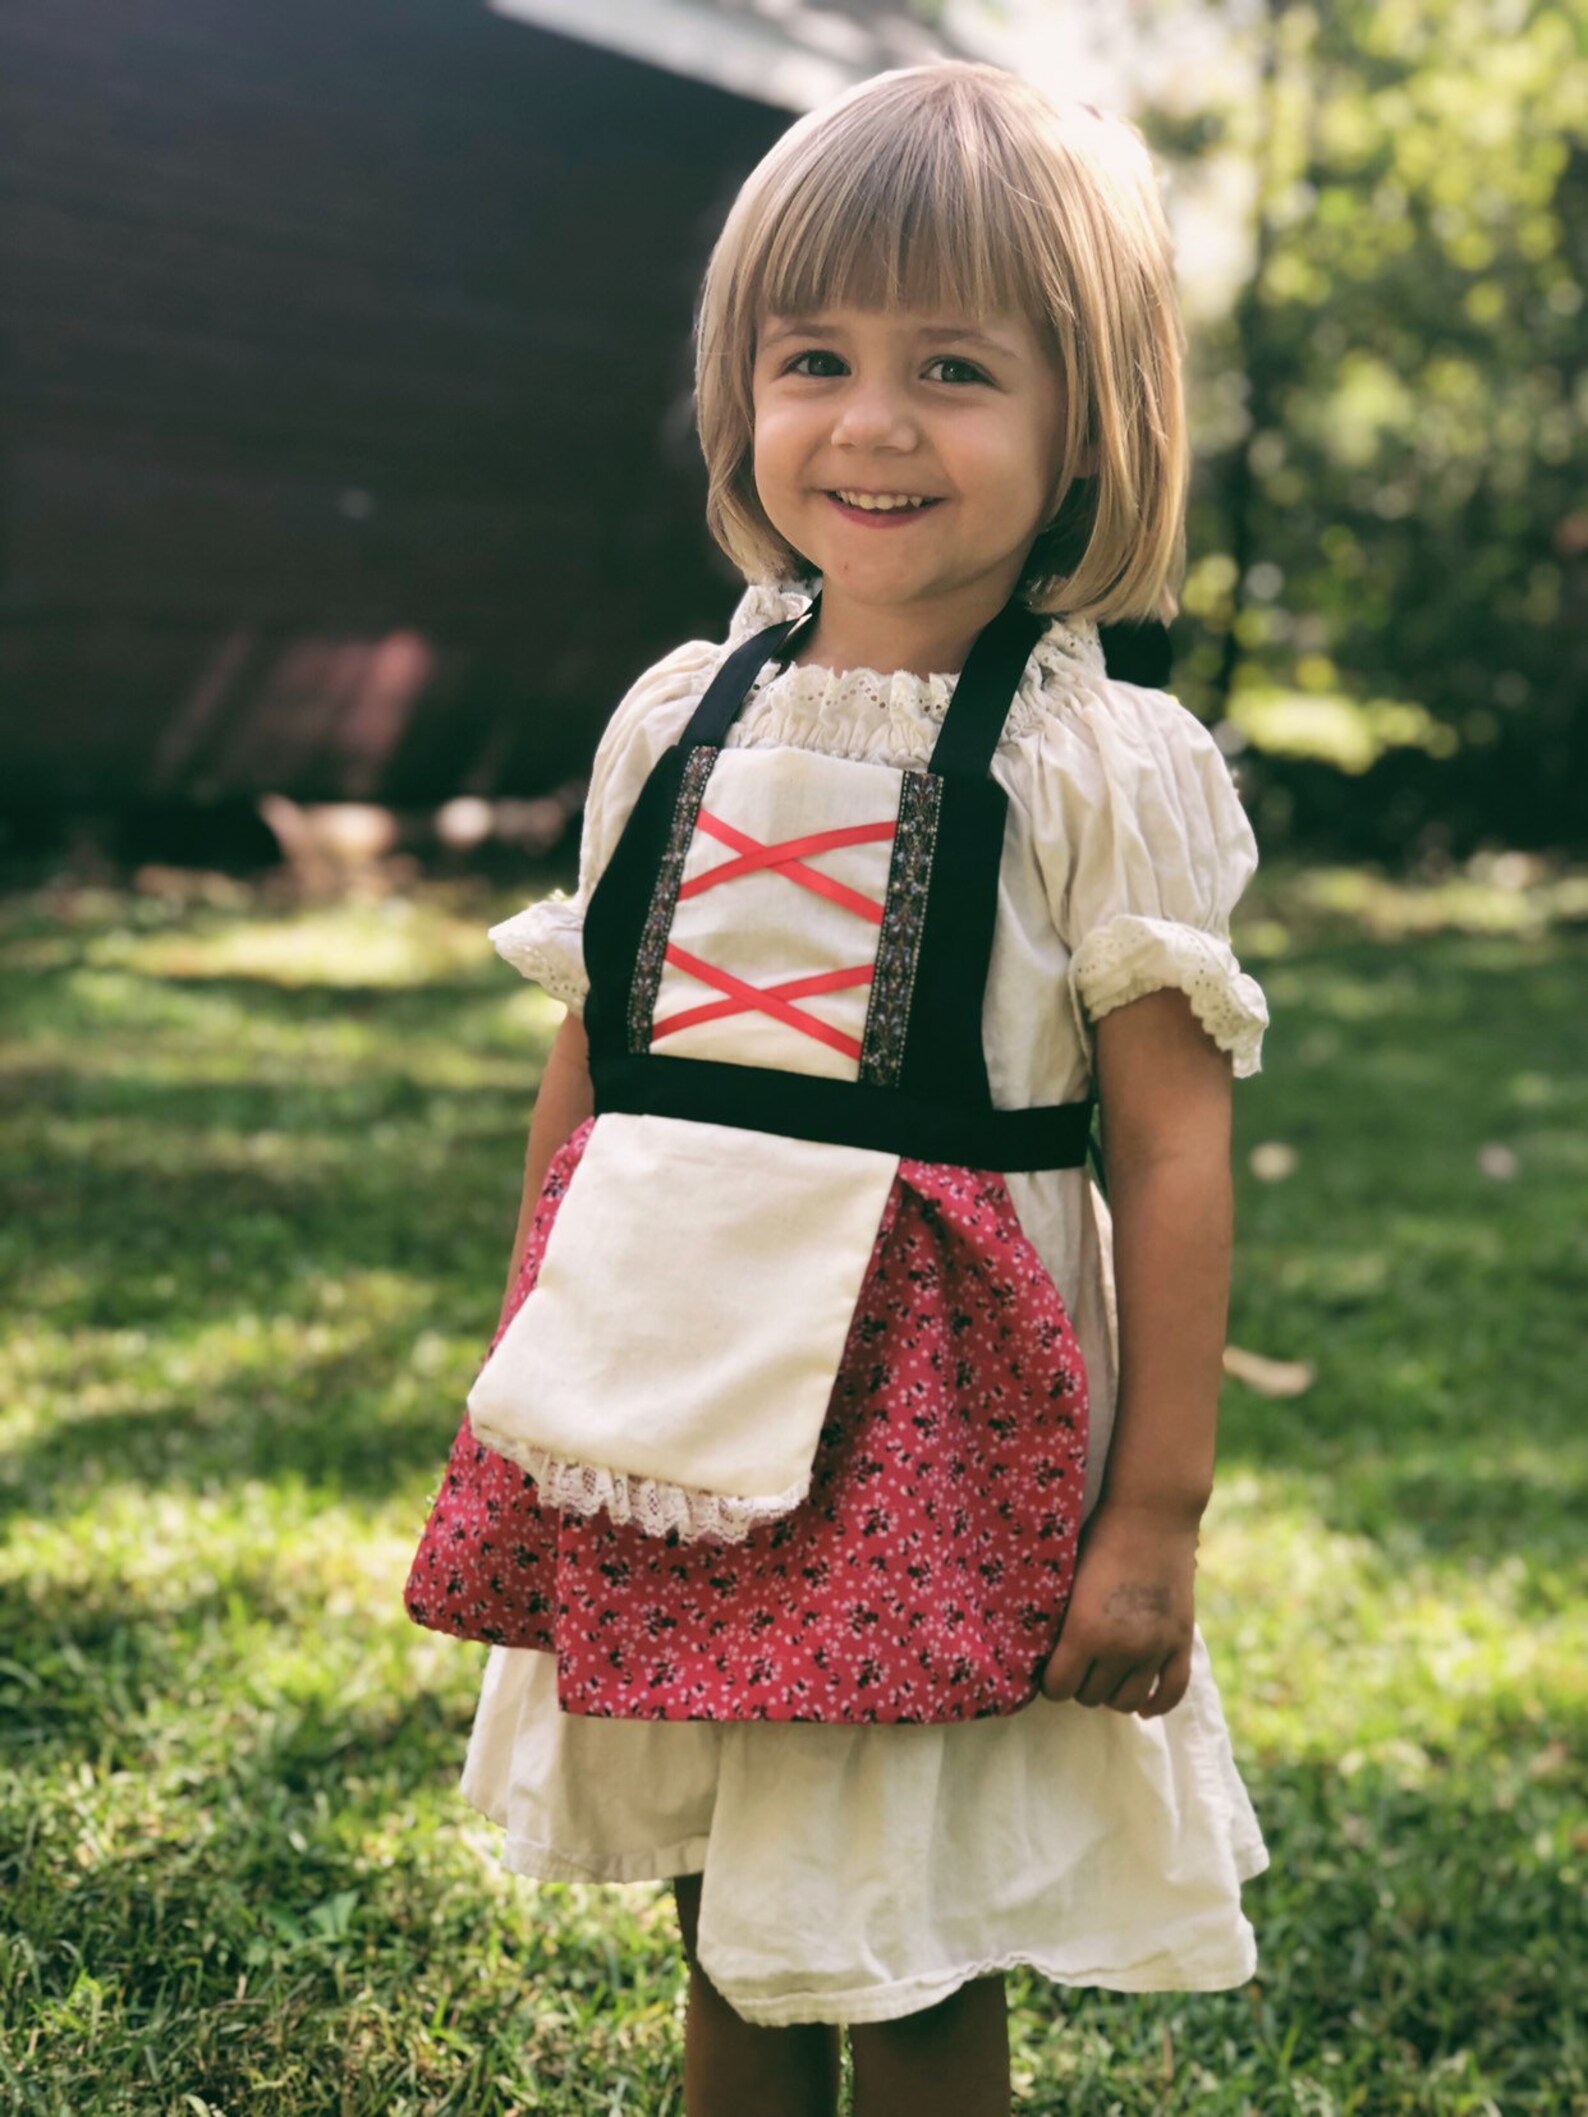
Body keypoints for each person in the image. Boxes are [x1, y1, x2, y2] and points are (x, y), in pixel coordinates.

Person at [406, 59, 1270, 2117]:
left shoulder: (1092, 767)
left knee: (898, 1932)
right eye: (813, 358)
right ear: (741, 391)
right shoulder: (666, 716)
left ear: (1088, 420)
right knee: (721, 1899)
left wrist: (1148, 1513)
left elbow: (1163, 1149)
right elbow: (590, 1070)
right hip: (671, 1402)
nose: (869, 422)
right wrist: (534, 1366)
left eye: (953, 366)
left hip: (934, 1436)